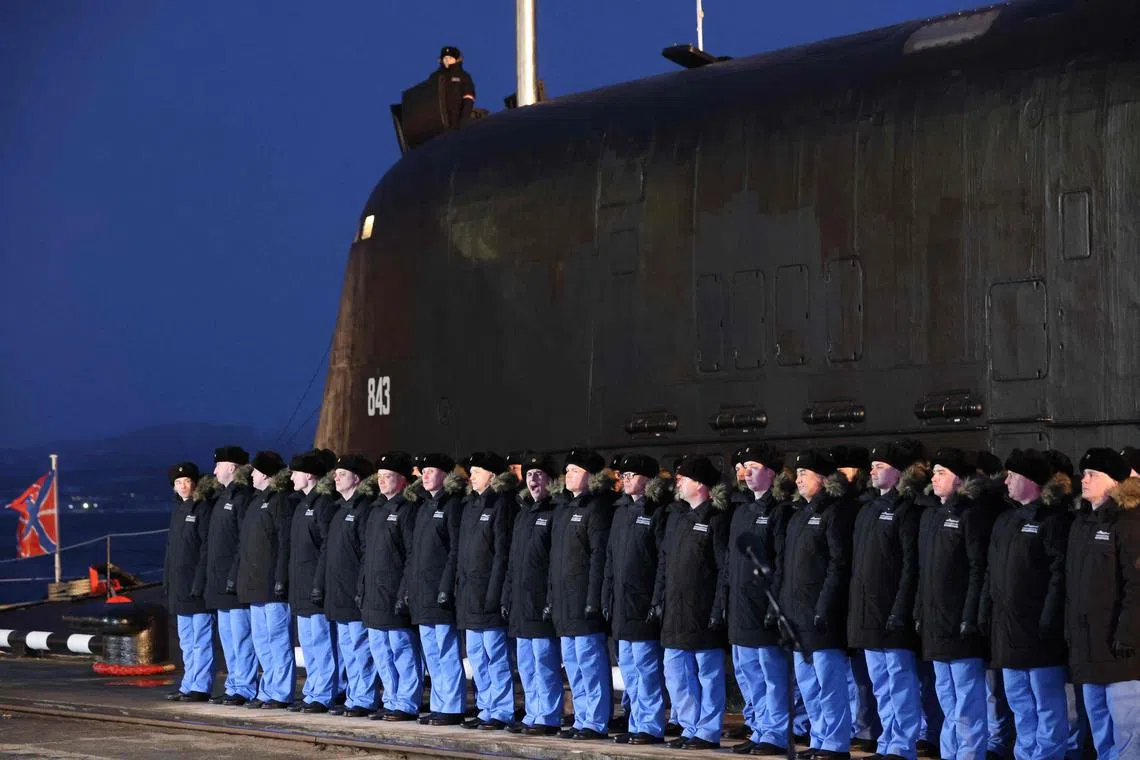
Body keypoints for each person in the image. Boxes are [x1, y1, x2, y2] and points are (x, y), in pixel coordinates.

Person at [981, 449, 1072, 760]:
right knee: (1019, 701)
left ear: (1031, 481)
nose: (1006, 481)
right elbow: (990, 572)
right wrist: (985, 613)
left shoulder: (1054, 520)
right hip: (1007, 630)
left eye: (1013, 476)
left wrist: (1049, 619)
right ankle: (1025, 753)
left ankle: (1047, 755)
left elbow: (1059, 575)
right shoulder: (1005, 521)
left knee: (1046, 702)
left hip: (1039, 631)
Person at [847, 439, 928, 760]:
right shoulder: (868, 510)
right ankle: (886, 741)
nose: (873, 470)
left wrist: (900, 609)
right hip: (868, 612)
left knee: (901, 684)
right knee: (880, 684)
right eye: (873, 466)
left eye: (880, 466)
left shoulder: (907, 510)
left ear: (898, 473)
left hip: (893, 612)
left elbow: (910, 566)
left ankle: (902, 744)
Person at [915, 448, 999, 760]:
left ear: (959, 480)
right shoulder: (932, 516)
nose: (934, 478)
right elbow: (923, 571)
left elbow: (978, 569)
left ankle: (970, 753)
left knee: (967, 698)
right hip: (936, 622)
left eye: (941, 473)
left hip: (961, 624)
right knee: (946, 695)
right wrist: (919, 611)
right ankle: (951, 753)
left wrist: (970, 616)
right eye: (933, 472)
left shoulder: (970, 515)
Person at [782, 448, 858, 760]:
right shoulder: (799, 514)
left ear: (823, 479)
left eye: (805, 474)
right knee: (808, 686)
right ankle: (819, 738)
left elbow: (838, 564)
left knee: (830, 684)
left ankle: (836, 743)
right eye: (797, 474)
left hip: (822, 615)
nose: (798, 479)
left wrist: (825, 606)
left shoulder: (835, 513)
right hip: (798, 614)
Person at [721, 444, 796, 757]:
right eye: (742, 466)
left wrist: (773, 606)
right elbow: (730, 562)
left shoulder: (780, 511)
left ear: (771, 472)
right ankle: (758, 728)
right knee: (747, 675)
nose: (745, 472)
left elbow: (781, 563)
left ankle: (776, 734)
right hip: (741, 608)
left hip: (764, 609)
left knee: (772, 677)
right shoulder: (740, 511)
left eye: (752, 465)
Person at [652, 454, 731, 750]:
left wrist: (718, 607)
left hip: (703, 610)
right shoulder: (678, 518)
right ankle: (689, 726)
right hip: (675, 610)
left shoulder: (717, 519)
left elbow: (724, 568)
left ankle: (708, 730)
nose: (678, 483)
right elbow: (664, 561)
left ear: (699, 483)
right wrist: (658, 597)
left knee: (708, 674)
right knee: (676, 672)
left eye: (683, 478)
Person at [1066, 447, 1140, 759]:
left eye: (1092, 474)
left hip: (1120, 652)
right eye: (1084, 473)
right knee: (1100, 728)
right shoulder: (1082, 524)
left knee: (1127, 730)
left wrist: (1127, 634)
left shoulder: (1129, 523)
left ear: (1113, 482)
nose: (1084, 480)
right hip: (1088, 647)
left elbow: (1136, 586)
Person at [547, 448, 618, 741]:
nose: (569, 476)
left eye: (575, 471)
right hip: (564, 600)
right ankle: (583, 716)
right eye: (568, 471)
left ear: (591, 476)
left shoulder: (597, 509)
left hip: (584, 599)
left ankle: (596, 720)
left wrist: (594, 598)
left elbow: (599, 557)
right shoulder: (564, 509)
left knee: (590, 661)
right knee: (573, 664)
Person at [603, 453, 669, 746]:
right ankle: (636, 722)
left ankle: (651, 726)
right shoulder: (620, 513)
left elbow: (662, 562)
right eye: (623, 475)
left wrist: (656, 600)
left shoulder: (657, 512)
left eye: (632, 474)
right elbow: (610, 560)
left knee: (646, 669)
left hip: (643, 605)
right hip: (621, 606)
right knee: (629, 669)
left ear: (647, 479)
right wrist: (606, 596)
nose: (625, 479)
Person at [403, 452, 468, 726]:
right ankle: (441, 703)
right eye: (423, 471)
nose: (425, 475)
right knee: (431, 652)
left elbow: (455, 551)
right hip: (422, 591)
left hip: (440, 593)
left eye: (431, 471)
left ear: (444, 474)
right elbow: (414, 553)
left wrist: (445, 587)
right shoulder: (424, 506)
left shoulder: (451, 505)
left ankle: (452, 706)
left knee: (445, 650)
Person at [456, 451, 519, 730]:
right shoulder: (471, 505)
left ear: (492, 476)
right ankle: (486, 707)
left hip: (488, 595)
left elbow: (501, 554)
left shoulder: (502, 504)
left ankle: (502, 710)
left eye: (477, 472)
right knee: (478, 657)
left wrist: (495, 593)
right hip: (470, 594)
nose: (471, 476)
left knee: (496, 656)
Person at [502, 452, 563, 736]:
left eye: (539, 475)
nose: (533, 480)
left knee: (544, 663)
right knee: (526, 663)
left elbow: (555, 562)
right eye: (529, 475)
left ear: (550, 480)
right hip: (521, 603)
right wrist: (507, 596)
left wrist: (550, 599)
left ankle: (548, 716)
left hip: (541, 603)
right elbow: (513, 562)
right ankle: (533, 712)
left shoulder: (555, 511)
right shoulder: (523, 514)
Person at [313, 454, 377, 717]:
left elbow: (365, 554)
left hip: (354, 592)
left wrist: (361, 588)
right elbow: (329, 552)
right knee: (348, 650)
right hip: (338, 591)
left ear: (357, 478)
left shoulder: (364, 509)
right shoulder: (339, 509)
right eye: (336, 473)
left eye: (342, 473)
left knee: (361, 649)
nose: (335, 477)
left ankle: (365, 697)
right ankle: (354, 695)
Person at [359, 451, 422, 722]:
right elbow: (367, 554)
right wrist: (362, 587)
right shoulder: (376, 510)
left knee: (402, 649)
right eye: (380, 477)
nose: (382, 481)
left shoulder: (407, 510)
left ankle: (407, 701)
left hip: (394, 591)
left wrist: (405, 591)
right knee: (381, 651)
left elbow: (411, 554)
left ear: (402, 481)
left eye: (389, 477)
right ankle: (391, 698)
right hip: (374, 592)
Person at [233, 450, 298, 708]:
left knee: (277, 639)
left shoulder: (280, 501)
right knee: (261, 640)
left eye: (256, 472)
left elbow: (284, 543)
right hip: (255, 583)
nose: (251, 476)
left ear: (266, 474)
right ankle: (268, 689)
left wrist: (281, 578)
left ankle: (281, 692)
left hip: (271, 584)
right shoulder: (258, 501)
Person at [204, 445, 258, 706]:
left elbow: (242, 543)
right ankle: (234, 684)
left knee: (241, 638)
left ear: (233, 467)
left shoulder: (242, 497)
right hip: (219, 582)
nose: (214, 471)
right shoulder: (223, 497)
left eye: (219, 465)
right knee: (228, 640)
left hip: (235, 583)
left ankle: (245, 687)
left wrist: (234, 576)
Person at [287, 449, 339, 713]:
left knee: (321, 643)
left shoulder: (323, 504)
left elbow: (326, 549)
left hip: (315, 587)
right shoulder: (304, 503)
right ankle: (312, 691)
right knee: (308, 644)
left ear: (308, 475)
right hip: (301, 586)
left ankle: (325, 692)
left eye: (295, 472)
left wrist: (319, 584)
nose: (291, 477)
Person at [164, 461, 215, 703]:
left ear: (195, 483)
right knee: (186, 641)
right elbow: (171, 552)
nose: (183, 486)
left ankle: (201, 685)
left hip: (197, 588)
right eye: (178, 482)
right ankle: (188, 683)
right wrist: (168, 582)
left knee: (200, 639)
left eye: (187, 481)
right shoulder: (178, 511)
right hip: (179, 587)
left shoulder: (202, 508)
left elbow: (206, 548)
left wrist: (199, 581)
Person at [432, 45, 476, 129]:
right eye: (445, 58)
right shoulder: (435, 77)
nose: (447, 60)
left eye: (450, 58)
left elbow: (468, 97)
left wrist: (464, 119)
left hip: (456, 119)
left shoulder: (463, 76)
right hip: (438, 121)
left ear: (456, 59)